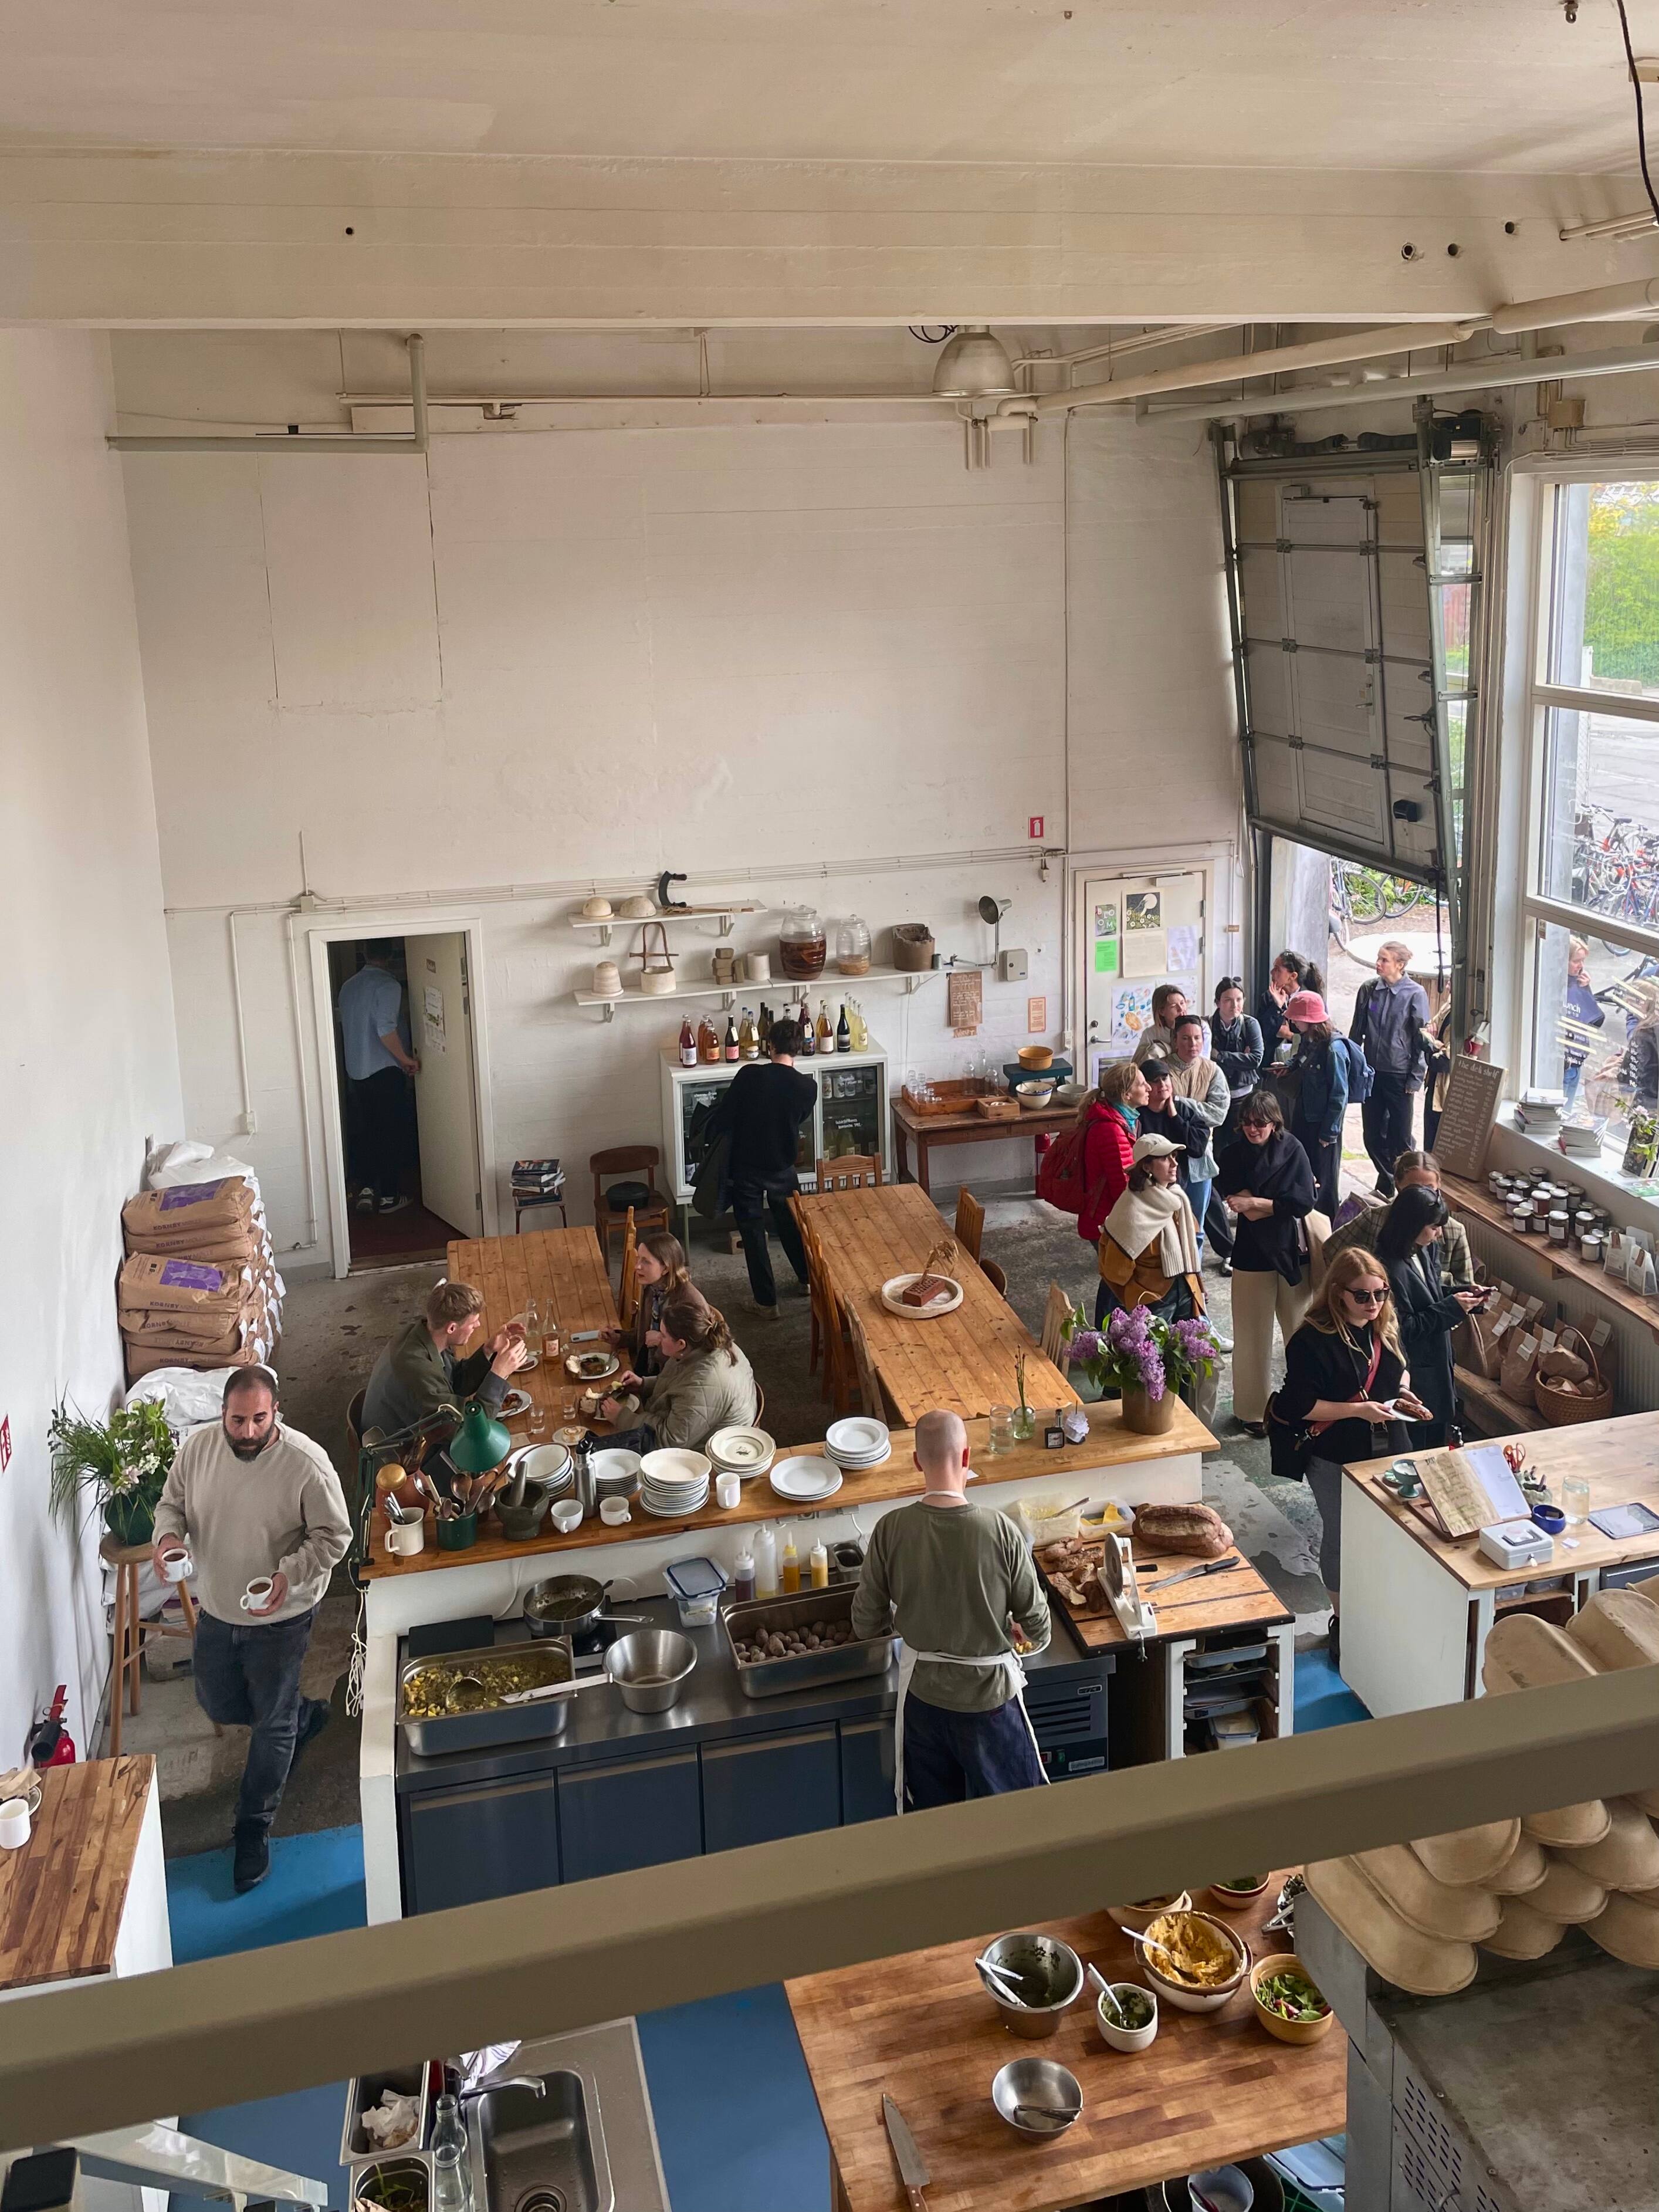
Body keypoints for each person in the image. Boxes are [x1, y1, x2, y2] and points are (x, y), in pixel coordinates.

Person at [151, 1368, 351, 1893]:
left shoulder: (306, 1464)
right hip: (218, 1609)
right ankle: (298, 1716)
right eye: (237, 1420)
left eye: (259, 1419)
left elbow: (335, 1536)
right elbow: (171, 1503)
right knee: (218, 1702)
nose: (247, 1431)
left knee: (270, 1725)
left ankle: (253, 1826)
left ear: (276, 1411)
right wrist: (167, 1539)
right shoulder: (198, 1451)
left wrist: (289, 1575)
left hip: (281, 1619)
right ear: (222, 1413)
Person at [849, 1409, 1051, 1812]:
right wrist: (1012, 1627)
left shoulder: (889, 1529)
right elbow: (1039, 1629)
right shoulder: (1001, 1530)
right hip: (991, 1704)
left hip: (924, 1704)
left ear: (917, 1461)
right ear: (966, 1458)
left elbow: (865, 1624)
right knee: (1018, 1821)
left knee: (938, 1827)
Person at [1276, 1250, 1428, 1660]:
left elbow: (1399, 1369)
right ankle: (1343, 1620)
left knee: (1394, 1528)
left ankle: (1381, 1609)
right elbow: (1301, 1406)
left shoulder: (1385, 1325)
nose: (1373, 1303)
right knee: (1343, 1536)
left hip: (1390, 1443)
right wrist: (1358, 1411)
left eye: (1381, 1293)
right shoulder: (1311, 1340)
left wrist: (1403, 1392)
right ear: (1338, 1293)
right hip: (1336, 1452)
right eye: (1362, 1296)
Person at [1216, 1093, 1317, 1437]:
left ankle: (1307, 1404)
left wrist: (1257, 1202)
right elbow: (1241, 1206)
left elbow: (1304, 1201)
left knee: (1301, 1335)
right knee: (1250, 1338)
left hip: (1293, 1254)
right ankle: (1252, 1411)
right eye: (1247, 1122)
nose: (1253, 1129)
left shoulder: (1294, 1148)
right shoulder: (1232, 1154)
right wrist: (1275, 1204)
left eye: (1260, 1123)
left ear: (1275, 1123)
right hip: (1251, 1254)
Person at [703, 1016, 815, 1317]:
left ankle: (767, 1303)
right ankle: (807, 1280)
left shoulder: (750, 1075)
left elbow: (725, 1116)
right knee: (792, 1226)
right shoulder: (808, 1087)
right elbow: (798, 1119)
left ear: (770, 1046)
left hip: (747, 1168)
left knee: (753, 1234)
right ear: (798, 1048)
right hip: (783, 1167)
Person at [363, 1280, 529, 1474]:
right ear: (451, 1328)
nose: (478, 1325)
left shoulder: (423, 1335)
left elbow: (454, 1382)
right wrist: (499, 1374)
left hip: (416, 1435)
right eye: (473, 1323)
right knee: (506, 1459)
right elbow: (471, 1434)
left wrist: (488, 1350)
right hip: (400, 1465)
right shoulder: (417, 1368)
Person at [1096, 1137, 1212, 1409]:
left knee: (1185, 1361)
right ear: (1146, 1166)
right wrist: (1138, 1295)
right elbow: (1113, 1268)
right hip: (1153, 1297)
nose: (1174, 1163)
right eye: (1164, 1158)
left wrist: (1197, 1285)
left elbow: (1189, 1249)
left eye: (1175, 1157)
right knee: (1148, 1367)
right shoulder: (1131, 1206)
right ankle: (1146, 1416)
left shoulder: (1177, 1198)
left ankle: (1182, 1415)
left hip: (1185, 1289)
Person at [1374, 1184, 1484, 1447]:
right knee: (1416, 1448)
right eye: (1434, 1227)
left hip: (1440, 1365)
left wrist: (1463, 1295)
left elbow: (1430, 1295)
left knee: (1439, 1441)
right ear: (1412, 1225)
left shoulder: (1425, 1249)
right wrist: (1453, 1308)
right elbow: (1404, 1328)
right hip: (1414, 1373)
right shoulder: (1387, 1268)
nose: (1440, 1233)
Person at [600, 1286, 759, 1451]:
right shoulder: (700, 1348)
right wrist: (643, 1385)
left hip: (707, 1453)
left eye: (663, 1335)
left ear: (681, 1344)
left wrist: (621, 1417)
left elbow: (670, 1440)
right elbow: (681, 1385)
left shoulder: (703, 1383)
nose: (658, 1338)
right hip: (696, 1431)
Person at [337, 942, 418, 1216]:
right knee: (391, 1133)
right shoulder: (388, 986)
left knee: (367, 1131)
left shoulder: (348, 987)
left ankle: (367, 1188)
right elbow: (386, 1029)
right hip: (384, 1070)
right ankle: (389, 1197)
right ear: (391, 956)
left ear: (364, 954)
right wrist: (406, 1060)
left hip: (356, 1070)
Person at [1321, 1149, 1474, 1288]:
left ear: (1439, 1186)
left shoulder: (1454, 1231)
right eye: (1412, 1189)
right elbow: (1331, 1251)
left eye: (1429, 1189)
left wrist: (1433, 1278)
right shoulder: (1373, 1218)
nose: (1422, 1196)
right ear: (1398, 1185)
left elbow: (1465, 1283)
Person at [1350, 942, 1431, 1196]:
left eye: (1384, 960)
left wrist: (1415, 1078)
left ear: (1400, 965)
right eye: (1379, 958)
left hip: (1399, 1075)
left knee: (1401, 1140)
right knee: (1372, 1137)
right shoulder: (1368, 990)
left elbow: (1421, 1040)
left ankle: (1408, 1189)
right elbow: (1356, 1032)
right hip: (1372, 1074)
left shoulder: (1415, 994)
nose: (1378, 964)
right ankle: (1391, 1180)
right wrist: (1353, 1067)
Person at [1206, 979, 1264, 1269]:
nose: (1235, 1005)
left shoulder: (1250, 1024)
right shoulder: (1208, 1026)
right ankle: (1224, 1199)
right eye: (1229, 1000)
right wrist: (1234, 1058)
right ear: (1218, 1002)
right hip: (1216, 1098)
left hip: (1242, 1096)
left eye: (1239, 999)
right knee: (1219, 1152)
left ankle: (1244, 1203)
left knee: (1244, 1150)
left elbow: (1256, 1059)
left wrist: (1222, 1056)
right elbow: (1206, 1058)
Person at [1076, 1059, 1148, 1290]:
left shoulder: (1120, 1120)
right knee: (1119, 1284)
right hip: (1107, 1221)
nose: (1149, 1088)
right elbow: (1123, 1187)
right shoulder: (1112, 1129)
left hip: (1107, 1217)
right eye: (1142, 1084)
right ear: (1127, 1095)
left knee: (1115, 1280)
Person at [1164, 1016, 1231, 1250]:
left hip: (1200, 1154)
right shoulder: (1162, 1070)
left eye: (1197, 1038)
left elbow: (1218, 1114)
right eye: (1185, 1038)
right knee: (1168, 1225)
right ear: (1175, 1040)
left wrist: (1181, 1103)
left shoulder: (1212, 1071)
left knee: (1196, 1225)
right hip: (1167, 1156)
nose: (1192, 1044)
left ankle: (1195, 1271)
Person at [1284, 988, 1349, 1218]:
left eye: (1296, 1018)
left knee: (1325, 1181)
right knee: (1304, 1171)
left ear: (1308, 1020)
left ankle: (1326, 1226)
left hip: (1323, 1126)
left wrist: (1329, 1133)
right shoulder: (1308, 1040)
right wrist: (1287, 1067)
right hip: (1304, 1115)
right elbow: (1300, 1060)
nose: (1292, 1022)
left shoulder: (1334, 1049)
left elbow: (1340, 1095)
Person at [604, 1229, 690, 1378]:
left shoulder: (686, 1303)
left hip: (670, 1378)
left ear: (666, 1268)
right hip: (648, 1366)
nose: (637, 1266)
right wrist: (619, 1338)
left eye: (646, 1262)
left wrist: (661, 1341)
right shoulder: (653, 1289)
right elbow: (645, 1335)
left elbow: (693, 1358)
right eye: (638, 1259)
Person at [1562, 938, 1605, 1110]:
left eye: (1583, 961)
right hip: (1565, 1062)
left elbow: (1596, 1021)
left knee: (1568, 1110)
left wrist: (1586, 989)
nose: (1581, 966)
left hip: (1577, 1062)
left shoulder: (1578, 984)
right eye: (1576, 961)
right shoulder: (1560, 986)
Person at [1258, 951, 1323, 1063]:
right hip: (1272, 1061)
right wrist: (1278, 1007)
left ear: (1292, 976)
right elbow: (1261, 1032)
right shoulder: (1268, 997)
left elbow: (1318, 1036)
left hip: (1302, 1062)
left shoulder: (1310, 1000)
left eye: (1277, 969)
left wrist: (1290, 1036)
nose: (1272, 972)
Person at [1132, 983, 1206, 1065]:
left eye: (1182, 1003)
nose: (1181, 1009)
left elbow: (1203, 1059)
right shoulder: (1150, 1034)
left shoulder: (1201, 1027)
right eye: (1174, 1006)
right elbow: (1136, 1064)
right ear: (1162, 1011)